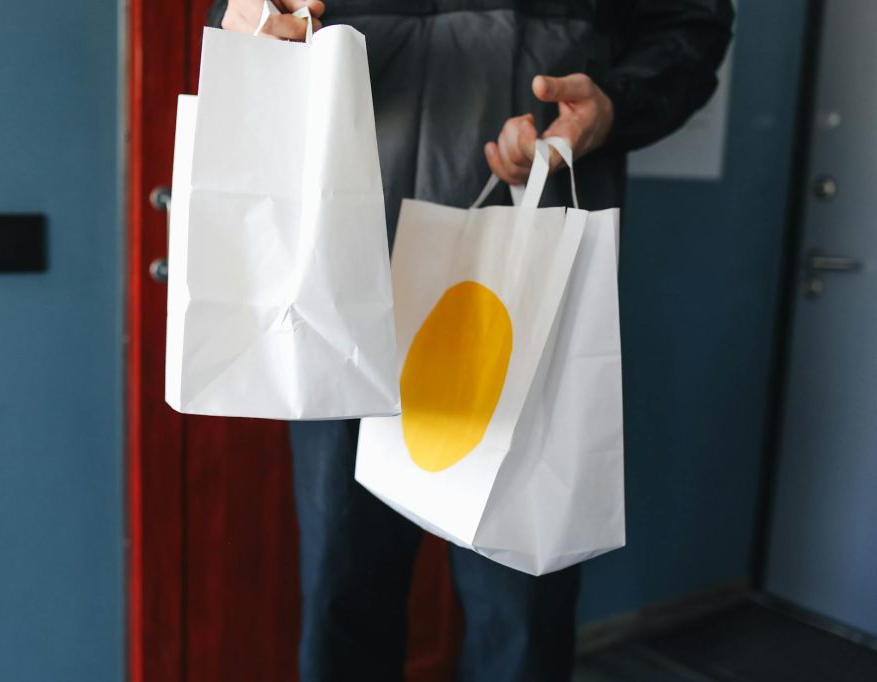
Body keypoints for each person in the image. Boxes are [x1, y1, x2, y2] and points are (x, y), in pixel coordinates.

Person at [210, 1, 734, 680]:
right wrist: (245, 18)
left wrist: (615, 103)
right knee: (342, 592)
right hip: (343, 272)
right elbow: (247, 13)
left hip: (524, 270)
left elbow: (690, 21)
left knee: (519, 614)